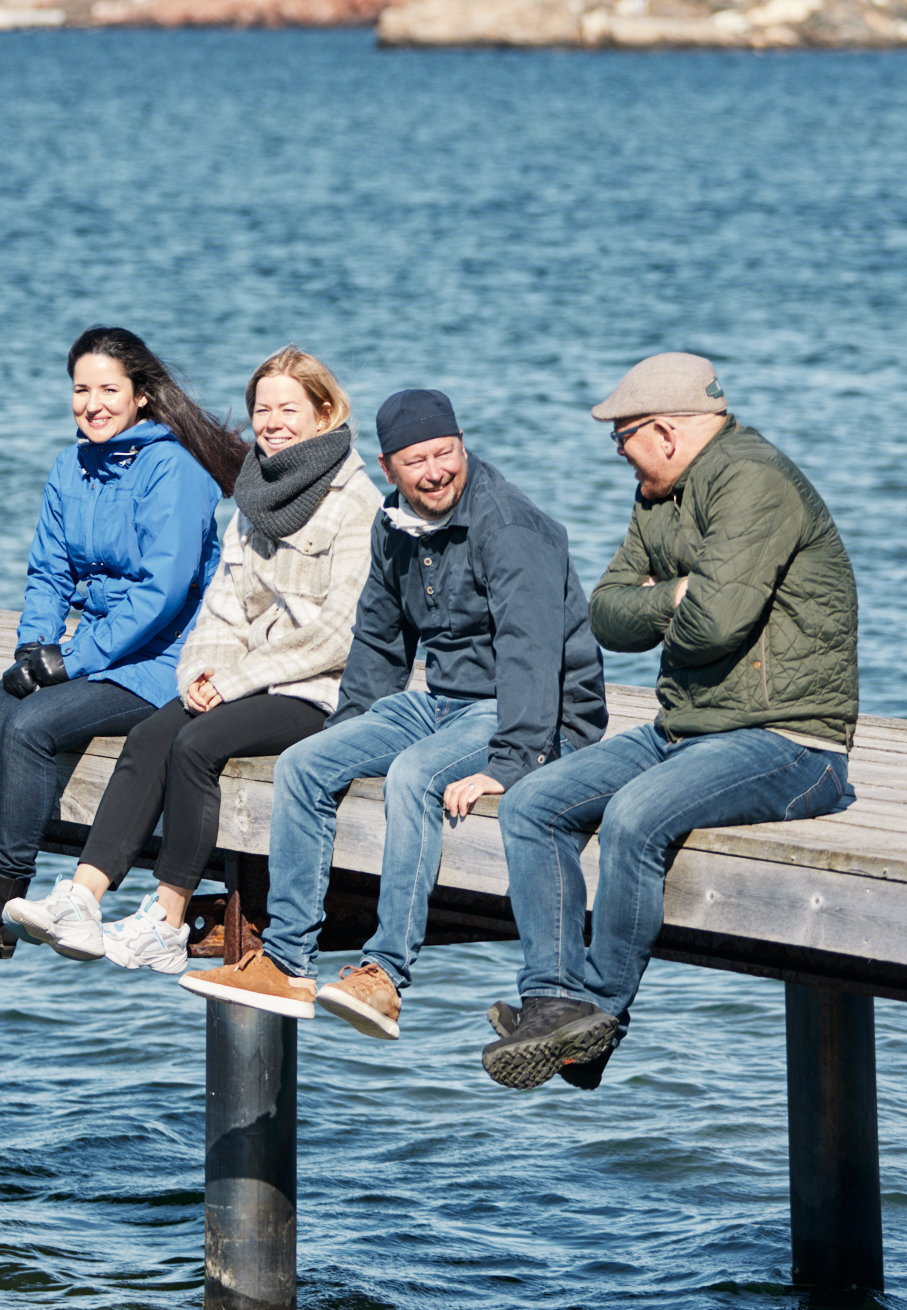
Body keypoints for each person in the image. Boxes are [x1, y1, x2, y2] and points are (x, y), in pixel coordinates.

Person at [482, 352, 858, 1093]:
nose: (616, 451)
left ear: (661, 430)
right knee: (532, 803)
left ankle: (599, 1017)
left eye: (619, 437)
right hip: (683, 730)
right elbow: (607, 614)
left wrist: (679, 598)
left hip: (788, 741)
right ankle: (552, 1000)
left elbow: (715, 626)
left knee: (632, 817)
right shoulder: (658, 494)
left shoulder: (753, 481)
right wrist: (677, 594)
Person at [186, 386, 607, 1036]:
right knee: (302, 764)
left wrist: (513, 760)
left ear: (462, 448)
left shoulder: (508, 527)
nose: (435, 470)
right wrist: (350, 728)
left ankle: (383, 973)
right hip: (439, 700)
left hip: (519, 711)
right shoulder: (394, 522)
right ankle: (286, 961)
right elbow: (379, 639)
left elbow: (532, 654)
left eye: (446, 453)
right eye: (417, 461)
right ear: (389, 468)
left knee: (413, 776)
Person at [4, 347, 381, 970]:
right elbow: (222, 605)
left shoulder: (354, 502)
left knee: (195, 745)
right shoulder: (258, 493)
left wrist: (232, 681)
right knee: (155, 731)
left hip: (321, 691)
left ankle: (168, 920)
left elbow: (336, 636)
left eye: (290, 408)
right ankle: (82, 898)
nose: (272, 421)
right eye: (263, 408)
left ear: (325, 412)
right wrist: (200, 672)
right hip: (247, 681)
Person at [0, 327, 241, 960]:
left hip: (165, 660)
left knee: (30, 728)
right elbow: (49, 573)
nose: (93, 403)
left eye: (109, 389)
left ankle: (1, 907)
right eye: (81, 390)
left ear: (141, 395)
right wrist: (35, 648)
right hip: (97, 649)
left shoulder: (176, 471)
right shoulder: (70, 465)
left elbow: (160, 596)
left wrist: (71, 659)